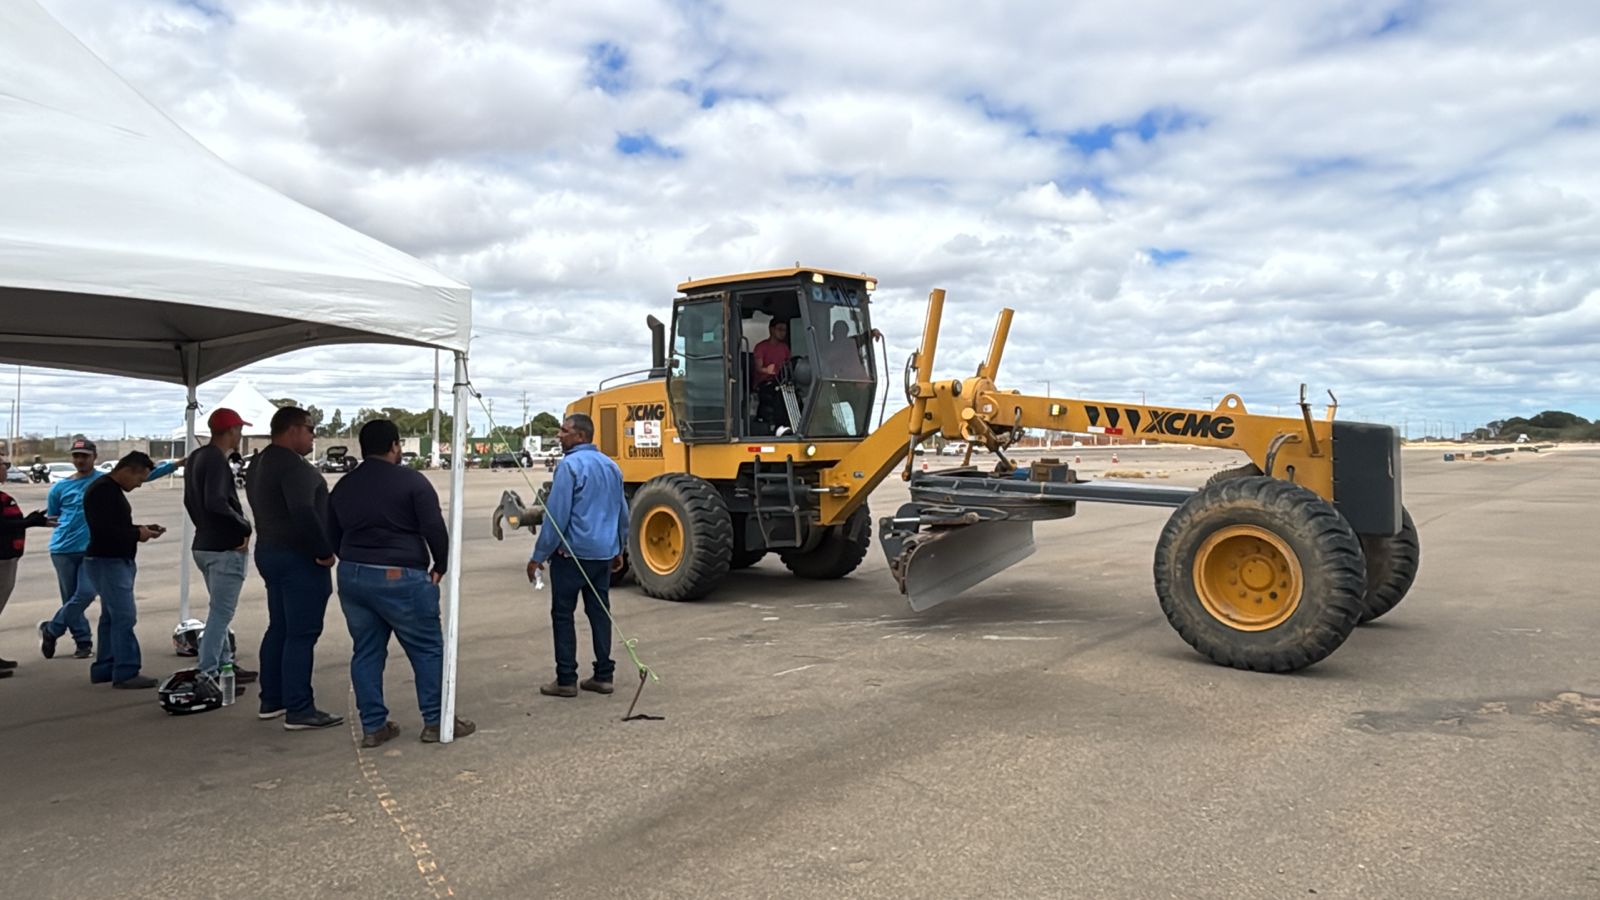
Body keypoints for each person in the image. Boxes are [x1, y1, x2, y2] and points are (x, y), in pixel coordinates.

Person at [329, 419, 474, 746]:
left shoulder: (344, 485)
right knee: (426, 649)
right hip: (401, 574)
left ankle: (373, 726)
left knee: (366, 650)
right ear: (395, 446)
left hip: (353, 574)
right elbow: (434, 528)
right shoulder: (412, 481)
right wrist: (441, 563)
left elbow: (331, 533)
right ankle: (436, 721)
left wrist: (353, 561)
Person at [245, 407, 342, 730]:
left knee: (280, 627)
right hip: (299, 556)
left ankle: (273, 698)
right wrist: (324, 551)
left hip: (270, 548)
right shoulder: (293, 466)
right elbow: (303, 510)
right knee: (302, 633)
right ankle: (300, 707)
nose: (314, 435)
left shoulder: (260, 462)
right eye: (310, 429)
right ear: (292, 429)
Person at [38, 439, 174, 661]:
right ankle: (83, 641)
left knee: (85, 594)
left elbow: (145, 474)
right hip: (65, 547)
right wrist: (136, 533)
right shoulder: (64, 487)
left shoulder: (104, 481)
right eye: (76, 456)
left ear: (94, 457)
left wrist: (175, 464)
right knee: (76, 599)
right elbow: (56, 517)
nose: (80, 460)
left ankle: (57, 630)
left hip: (90, 549)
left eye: (84, 455)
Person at [527, 413, 628, 698]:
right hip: (602, 556)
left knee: (563, 615)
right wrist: (619, 547)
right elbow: (622, 512)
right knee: (600, 613)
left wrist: (538, 556)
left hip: (572, 556)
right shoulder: (611, 466)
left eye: (564, 430)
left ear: (580, 436)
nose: (559, 435)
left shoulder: (569, 466)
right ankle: (604, 676)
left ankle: (566, 679)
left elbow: (556, 517)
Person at [183, 408, 257, 687]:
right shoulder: (216, 459)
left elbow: (190, 501)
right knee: (221, 613)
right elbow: (216, 502)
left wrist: (204, 526)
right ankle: (208, 670)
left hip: (203, 543)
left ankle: (226, 665)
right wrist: (244, 525)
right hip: (224, 548)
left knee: (218, 609)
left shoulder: (197, 457)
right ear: (231, 431)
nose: (240, 435)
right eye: (239, 430)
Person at [82, 452, 166, 689]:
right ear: (129, 470)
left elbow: (113, 526)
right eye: (140, 479)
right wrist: (137, 534)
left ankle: (105, 667)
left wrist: (139, 529)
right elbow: (105, 530)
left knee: (110, 617)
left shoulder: (106, 489)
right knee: (124, 616)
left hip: (107, 559)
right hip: (109, 560)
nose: (139, 484)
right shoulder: (103, 491)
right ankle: (126, 670)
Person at [0, 456, 55, 677]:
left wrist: (32, 522)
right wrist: (29, 522)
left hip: (8, 559)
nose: (5, 469)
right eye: (2, 465)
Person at [752, 318, 793, 430]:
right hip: (764, 383)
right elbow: (758, 368)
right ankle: (779, 426)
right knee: (778, 395)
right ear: (771, 330)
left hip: (781, 381)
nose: (782, 333)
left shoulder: (784, 348)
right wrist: (767, 370)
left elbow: (788, 365)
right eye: (779, 329)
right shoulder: (761, 347)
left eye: (784, 330)